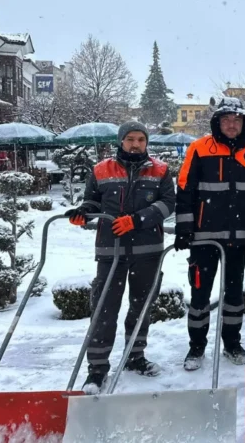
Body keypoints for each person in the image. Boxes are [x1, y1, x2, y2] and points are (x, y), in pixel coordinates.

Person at [64, 121, 176, 394]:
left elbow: (167, 204)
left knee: (141, 307)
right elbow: (92, 200)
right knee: (104, 309)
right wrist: (83, 212)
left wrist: (137, 220)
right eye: (130, 139)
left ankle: (135, 357)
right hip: (110, 251)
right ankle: (97, 369)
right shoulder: (101, 169)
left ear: (146, 142)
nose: (136, 144)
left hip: (147, 251)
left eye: (141, 139)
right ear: (121, 141)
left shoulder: (161, 170)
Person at [174, 97, 245, 370]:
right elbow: (185, 188)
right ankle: (196, 347)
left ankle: (232, 343)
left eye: (236, 120)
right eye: (226, 120)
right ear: (218, 122)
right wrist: (184, 227)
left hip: (237, 238)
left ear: (244, 123)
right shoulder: (199, 148)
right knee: (200, 294)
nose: (231, 125)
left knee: (234, 295)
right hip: (204, 237)